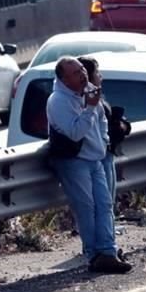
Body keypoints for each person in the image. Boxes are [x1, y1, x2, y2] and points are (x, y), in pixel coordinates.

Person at [46, 56, 132, 274]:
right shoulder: (58, 101)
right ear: (64, 79)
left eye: (83, 69)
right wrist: (90, 108)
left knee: (104, 205)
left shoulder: (90, 90)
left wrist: (102, 144)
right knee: (86, 208)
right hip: (74, 161)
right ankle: (94, 255)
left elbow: (102, 121)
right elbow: (75, 133)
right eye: (76, 73)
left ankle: (108, 251)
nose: (83, 74)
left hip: (95, 158)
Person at [79, 55, 131, 207]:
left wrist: (124, 125)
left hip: (106, 153)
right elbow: (98, 128)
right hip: (99, 155)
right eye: (97, 72)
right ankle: (106, 230)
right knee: (105, 202)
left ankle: (109, 228)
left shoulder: (97, 98)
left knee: (108, 201)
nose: (101, 76)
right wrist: (118, 127)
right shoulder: (85, 100)